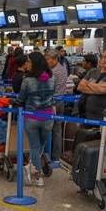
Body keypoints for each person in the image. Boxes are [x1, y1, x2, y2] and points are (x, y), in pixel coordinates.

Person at [15, 52, 55, 187]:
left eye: (29, 62)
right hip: (48, 118)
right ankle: (31, 166)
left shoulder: (27, 81)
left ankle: (38, 176)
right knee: (40, 147)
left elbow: (21, 99)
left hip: (32, 118)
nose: (27, 64)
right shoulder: (52, 79)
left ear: (34, 64)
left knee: (35, 147)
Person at [76, 49, 106, 120]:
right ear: (101, 58)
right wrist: (96, 89)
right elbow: (80, 87)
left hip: (104, 119)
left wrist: (88, 83)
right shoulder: (93, 71)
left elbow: (101, 90)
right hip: (86, 116)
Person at [45, 49, 68, 163]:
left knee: (47, 129)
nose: (46, 61)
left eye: (48, 59)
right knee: (57, 130)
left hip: (52, 103)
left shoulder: (53, 73)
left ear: (55, 59)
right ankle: (56, 157)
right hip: (61, 102)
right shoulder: (63, 68)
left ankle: (47, 156)